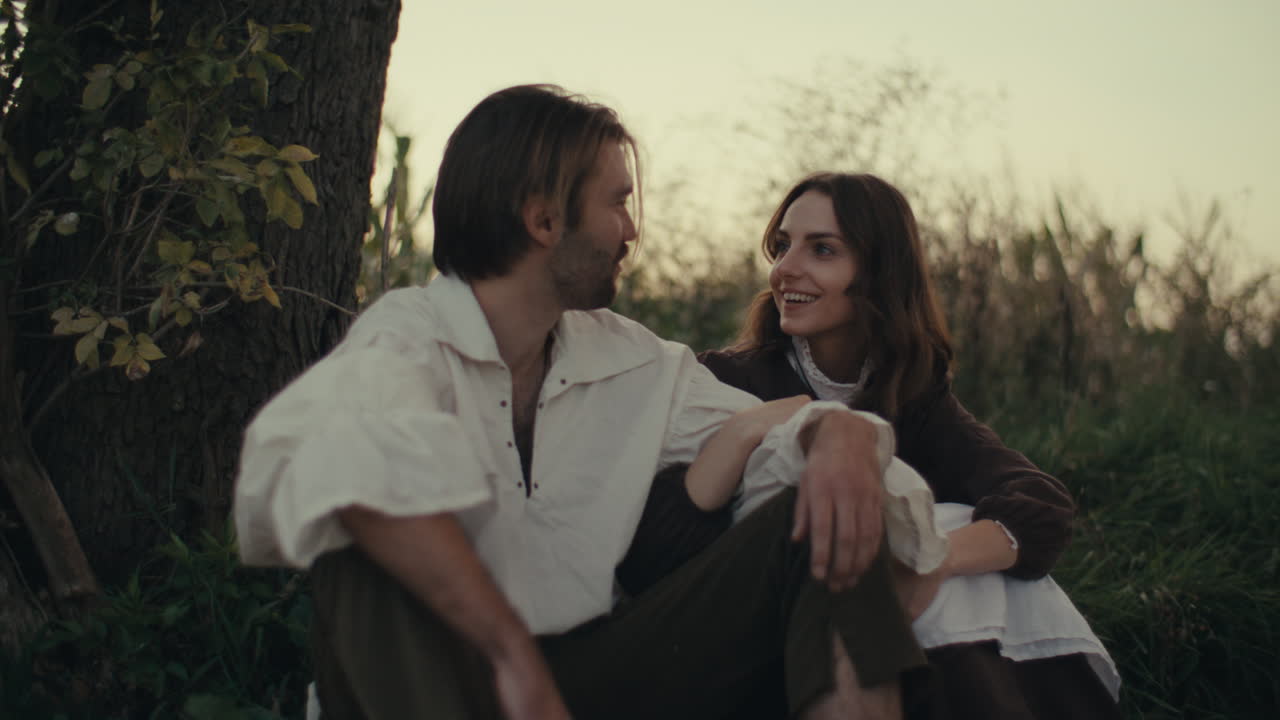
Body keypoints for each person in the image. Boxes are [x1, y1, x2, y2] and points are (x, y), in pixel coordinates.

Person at [233, 87, 950, 720]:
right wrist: (512, 658)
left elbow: (768, 445)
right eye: (617, 202)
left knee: (825, 515)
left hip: (592, 677)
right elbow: (320, 459)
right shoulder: (406, 338)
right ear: (546, 222)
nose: (631, 231)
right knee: (365, 532)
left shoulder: (632, 360)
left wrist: (842, 438)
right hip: (444, 683)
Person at [679, 172, 1121, 718]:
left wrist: (931, 562)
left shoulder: (912, 394)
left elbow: (1039, 504)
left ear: (880, 270)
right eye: (782, 245)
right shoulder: (727, 380)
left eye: (822, 249)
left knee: (948, 533)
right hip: (754, 618)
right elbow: (673, 527)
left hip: (869, 622)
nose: (785, 268)